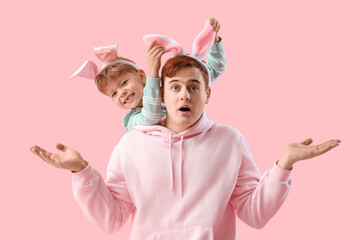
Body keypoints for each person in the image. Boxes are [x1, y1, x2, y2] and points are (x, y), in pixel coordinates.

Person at [30, 53, 340, 239]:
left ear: (208, 94)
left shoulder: (230, 140)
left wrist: (284, 165)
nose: (184, 95)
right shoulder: (129, 146)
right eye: (175, 87)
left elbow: (254, 214)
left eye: (194, 87)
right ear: (161, 94)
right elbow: (111, 219)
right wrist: (82, 172)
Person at [71, 18, 226, 131]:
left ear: (142, 77)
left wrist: (214, 40)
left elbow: (213, 70)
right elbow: (152, 118)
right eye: (113, 93)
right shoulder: (132, 121)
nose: (121, 92)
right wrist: (154, 73)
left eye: (124, 83)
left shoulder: (171, 89)